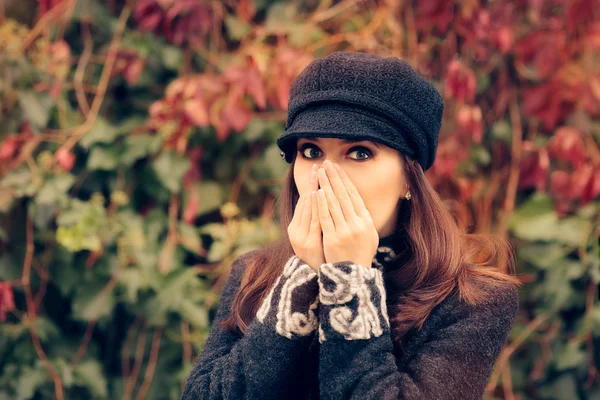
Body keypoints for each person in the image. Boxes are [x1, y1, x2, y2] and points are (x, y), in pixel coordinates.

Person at [181, 51, 522, 400]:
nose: (325, 176)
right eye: (311, 151)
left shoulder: (471, 299)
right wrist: (300, 282)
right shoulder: (255, 275)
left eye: (359, 153)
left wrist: (350, 281)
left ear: (409, 177)